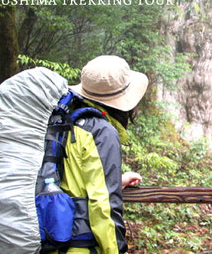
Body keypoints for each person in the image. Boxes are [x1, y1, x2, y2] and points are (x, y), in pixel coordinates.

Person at [55, 55, 147, 254]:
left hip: (52, 242)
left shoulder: (65, 121)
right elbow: (103, 207)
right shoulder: (101, 131)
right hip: (81, 247)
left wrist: (115, 180)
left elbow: (71, 179)